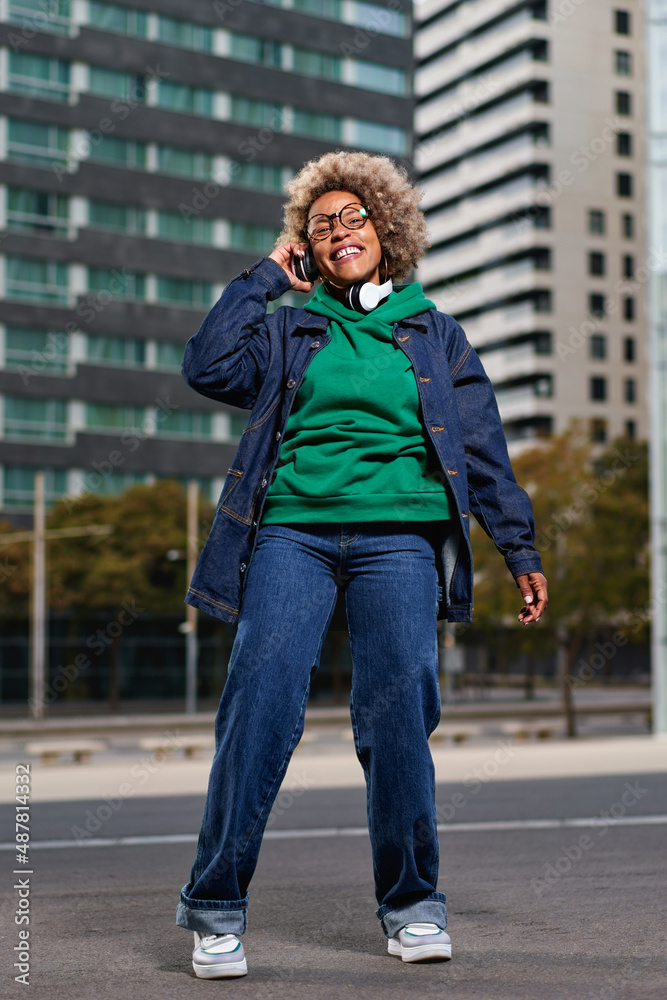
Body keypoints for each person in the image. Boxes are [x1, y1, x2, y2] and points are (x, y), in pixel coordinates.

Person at [175, 150, 548, 979]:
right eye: (319, 225)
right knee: (260, 704)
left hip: (401, 540)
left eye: (353, 218)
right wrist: (267, 276)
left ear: (387, 230)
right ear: (305, 247)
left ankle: (412, 905)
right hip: (292, 532)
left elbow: (481, 448)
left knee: (397, 718)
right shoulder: (287, 326)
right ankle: (215, 907)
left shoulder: (432, 331)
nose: (338, 232)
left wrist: (516, 547)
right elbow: (205, 367)